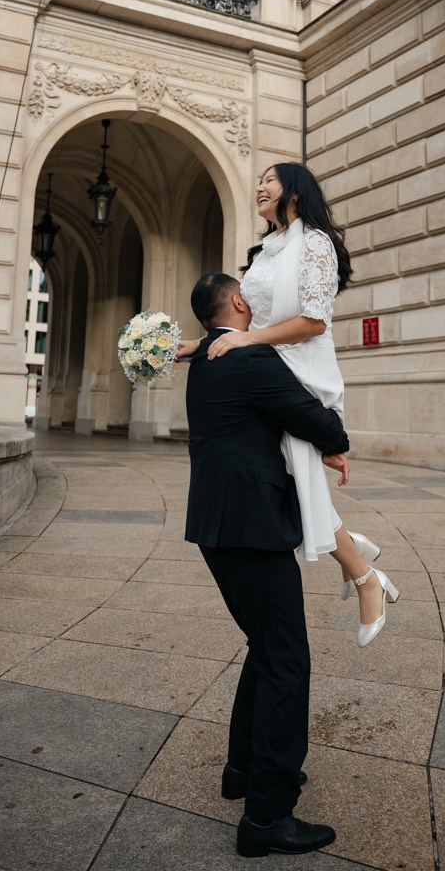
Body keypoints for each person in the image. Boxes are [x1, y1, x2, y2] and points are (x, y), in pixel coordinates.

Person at [179, 163, 398, 648]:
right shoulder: (266, 251)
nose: (260, 186)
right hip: (265, 365)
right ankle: (356, 559)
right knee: (284, 481)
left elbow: (313, 321)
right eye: (258, 180)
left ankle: (366, 577)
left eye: (270, 180)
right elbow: (243, 313)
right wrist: (202, 344)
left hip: (300, 365)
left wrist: (247, 342)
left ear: (295, 191)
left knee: (294, 477)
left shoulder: (315, 243)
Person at [185, 272, 348, 858]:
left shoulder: (206, 356)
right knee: (286, 660)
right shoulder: (248, 358)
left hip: (217, 525)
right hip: (251, 528)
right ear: (235, 302)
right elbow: (320, 421)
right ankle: (267, 816)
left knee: (264, 645)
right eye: (247, 294)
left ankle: (244, 771)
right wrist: (331, 437)